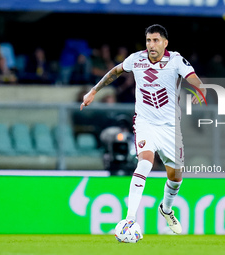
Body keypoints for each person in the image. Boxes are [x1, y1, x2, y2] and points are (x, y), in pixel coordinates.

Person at [80, 24, 206, 235]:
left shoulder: (175, 61)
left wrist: (199, 90)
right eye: (148, 40)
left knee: (175, 178)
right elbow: (115, 71)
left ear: (165, 43)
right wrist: (94, 91)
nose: (151, 45)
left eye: (156, 40)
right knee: (144, 163)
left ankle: (166, 209)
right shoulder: (136, 59)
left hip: (169, 127)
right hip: (145, 123)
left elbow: (196, 81)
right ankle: (129, 219)